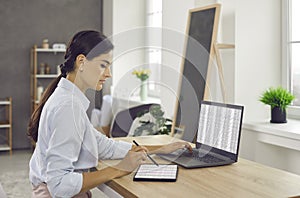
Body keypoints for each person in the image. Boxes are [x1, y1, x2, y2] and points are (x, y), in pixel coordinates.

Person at [27, 30, 192, 198]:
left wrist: (160, 149)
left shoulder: (70, 100)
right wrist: (119, 168)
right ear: (81, 62)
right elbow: (60, 185)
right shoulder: (68, 107)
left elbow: (103, 146)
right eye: (103, 65)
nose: (109, 73)